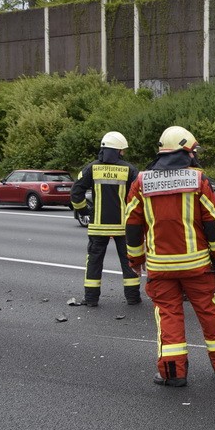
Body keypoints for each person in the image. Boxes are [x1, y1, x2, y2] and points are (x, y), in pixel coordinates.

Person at [125, 126, 215, 387]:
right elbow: (212, 221)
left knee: (168, 314)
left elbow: (132, 225)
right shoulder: (198, 180)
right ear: (186, 151)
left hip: (160, 266)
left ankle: (172, 373)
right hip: (197, 265)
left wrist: (135, 260)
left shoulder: (142, 182)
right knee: (209, 312)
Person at [70, 131, 141, 307]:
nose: (123, 153)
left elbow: (76, 191)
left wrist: (84, 211)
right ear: (118, 151)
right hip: (123, 226)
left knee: (94, 262)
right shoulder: (129, 170)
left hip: (97, 226)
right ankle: (132, 298)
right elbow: (140, 196)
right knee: (129, 262)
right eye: (122, 150)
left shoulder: (92, 168)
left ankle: (91, 299)